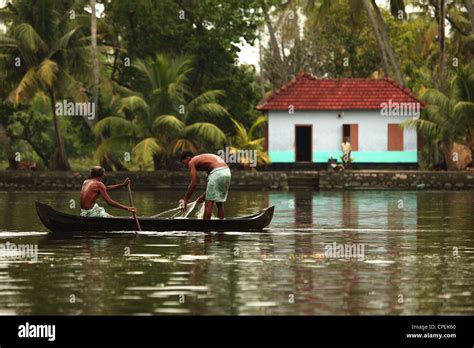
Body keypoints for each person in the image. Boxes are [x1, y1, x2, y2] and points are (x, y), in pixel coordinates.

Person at [180, 151, 231, 220]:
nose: (185, 165)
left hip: (217, 172)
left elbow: (194, 183)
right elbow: (213, 184)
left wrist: (185, 199)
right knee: (219, 202)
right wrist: (204, 196)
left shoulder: (192, 162)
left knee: (209, 203)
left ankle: (206, 228)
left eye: (183, 162)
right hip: (227, 172)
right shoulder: (203, 160)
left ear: (188, 158)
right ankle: (221, 224)